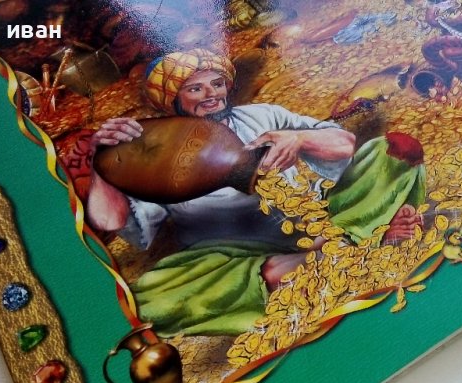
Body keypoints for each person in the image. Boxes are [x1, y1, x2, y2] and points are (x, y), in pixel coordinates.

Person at [87, 49, 426, 337]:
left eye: (217, 83)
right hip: (236, 255)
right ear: (173, 98)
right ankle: (360, 240)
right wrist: (101, 163)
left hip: (315, 220)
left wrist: (298, 139)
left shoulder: (261, 116)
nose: (211, 94)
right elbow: (110, 220)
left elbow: (344, 144)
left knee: (395, 151)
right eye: (195, 88)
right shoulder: (155, 151)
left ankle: (332, 249)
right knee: (152, 298)